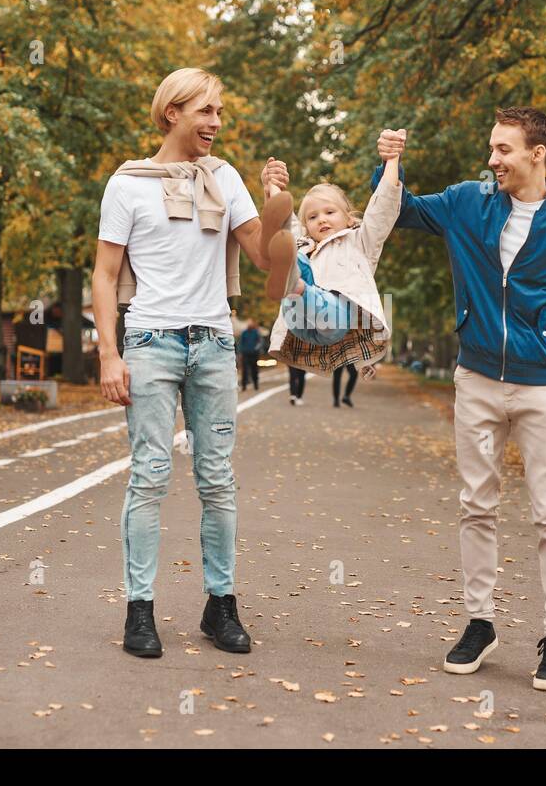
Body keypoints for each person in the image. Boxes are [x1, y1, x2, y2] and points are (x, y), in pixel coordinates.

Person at [376, 107, 546, 692]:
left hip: (540, 387)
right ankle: (480, 623)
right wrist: (390, 164)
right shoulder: (468, 202)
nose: (493, 160)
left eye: (504, 150)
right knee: (477, 504)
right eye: (492, 148)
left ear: (537, 154)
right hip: (478, 380)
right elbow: (401, 212)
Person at [90, 67, 283, 660]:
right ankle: (139, 612)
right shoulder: (127, 185)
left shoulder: (224, 179)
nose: (216, 123)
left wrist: (278, 205)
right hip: (151, 342)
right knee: (149, 475)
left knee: (217, 479)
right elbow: (102, 274)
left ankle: (219, 606)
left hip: (215, 344)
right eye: (205, 111)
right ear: (172, 112)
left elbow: (264, 259)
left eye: (219, 111)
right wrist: (108, 354)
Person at [255, 134, 404, 383]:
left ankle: (297, 285)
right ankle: (293, 282)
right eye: (312, 217)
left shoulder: (359, 242)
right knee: (291, 250)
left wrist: (392, 159)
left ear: (348, 218)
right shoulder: (304, 244)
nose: (321, 219)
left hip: (333, 322)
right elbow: (282, 218)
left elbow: (383, 207)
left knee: (323, 295)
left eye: (329, 212)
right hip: (298, 323)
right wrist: (272, 185)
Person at [238, 318, 261, 391]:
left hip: (254, 354)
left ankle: (256, 384)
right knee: (245, 370)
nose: (249, 325)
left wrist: (256, 349)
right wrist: (241, 352)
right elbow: (241, 343)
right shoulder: (244, 333)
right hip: (245, 354)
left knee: (254, 370)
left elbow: (259, 342)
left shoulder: (255, 332)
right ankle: (244, 386)